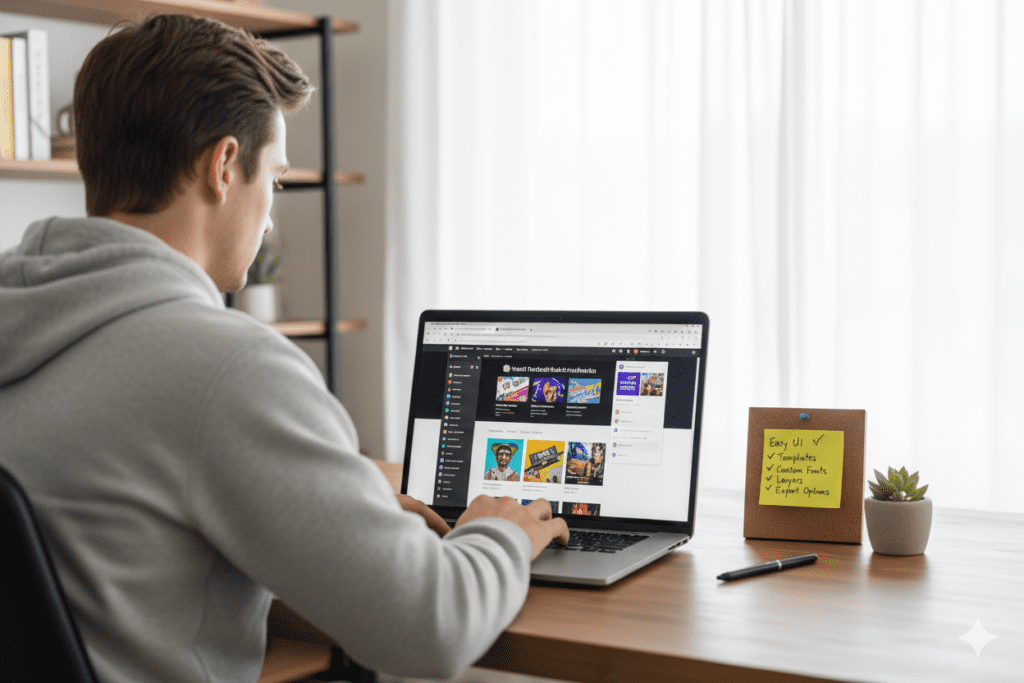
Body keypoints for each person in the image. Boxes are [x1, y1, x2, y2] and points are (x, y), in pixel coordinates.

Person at [0, 14, 567, 683]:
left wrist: (341, 497)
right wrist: (501, 531)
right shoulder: (228, 368)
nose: (270, 219)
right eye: (274, 180)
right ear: (223, 166)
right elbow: (430, 627)